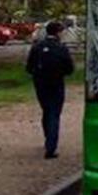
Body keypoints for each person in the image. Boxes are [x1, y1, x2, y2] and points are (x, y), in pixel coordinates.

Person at [26, 21, 75, 159]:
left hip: (40, 83)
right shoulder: (61, 48)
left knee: (46, 110)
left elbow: (29, 67)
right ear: (58, 33)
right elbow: (69, 68)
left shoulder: (37, 47)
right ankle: (51, 146)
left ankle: (48, 137)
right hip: (56, 83)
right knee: (54, 113)